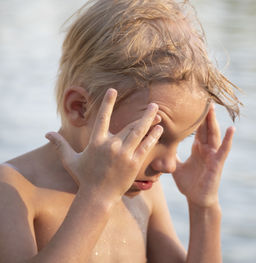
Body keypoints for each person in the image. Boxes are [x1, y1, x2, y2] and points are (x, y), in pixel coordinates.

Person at [0, 0, 241, 262]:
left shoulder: (143, 193)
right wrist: (96, 198)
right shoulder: (14, 190)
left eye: (182, 140)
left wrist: (203, 206)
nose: (169, 165)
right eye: (150, 135)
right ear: (80, 107)